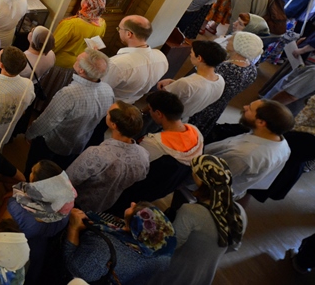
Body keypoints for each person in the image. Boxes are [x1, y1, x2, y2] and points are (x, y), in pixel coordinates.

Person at [163, 155, 246, 285]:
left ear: (201, 181)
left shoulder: (191, 211)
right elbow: (234, 246)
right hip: (205, 273)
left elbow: (172, 245)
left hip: (177, 270)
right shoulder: (239, 211)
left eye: (194, 173)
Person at [25, 49, 114, 171]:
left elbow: (48, 121)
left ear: (81, 70)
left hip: (54, 143)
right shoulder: (108, 90)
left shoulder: (69, 94)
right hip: (79, 143)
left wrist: (31, 133)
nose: (75, 60)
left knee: (36, 170)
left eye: (77, 60)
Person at [65, 102, 149, 212]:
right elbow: (141, 177)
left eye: (108, 113)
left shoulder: (96, 153)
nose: (106, 113)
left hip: (78, 202)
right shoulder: (144, 154)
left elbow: (70, 179)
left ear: (114, 125)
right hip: (107, 203)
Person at [63, 204, 175, 285]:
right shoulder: (163, 254)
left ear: (133, 231)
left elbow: (75, 270)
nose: (133, 203)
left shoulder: (101, 249)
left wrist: (73, 228)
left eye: (134, 213)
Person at [204, 98, 293, 198]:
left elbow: (211, 178)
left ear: (261, 122)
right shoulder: (281, 143)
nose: (244, 107)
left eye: (250, 109)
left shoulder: (244, 155)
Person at [190, 31, 263, 137]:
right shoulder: (251, 69)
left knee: (191, 129)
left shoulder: (226, 68)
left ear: (238, 47)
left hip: (204, 103)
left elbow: (202, 85)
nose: (228, 40)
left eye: (232, 39)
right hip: (219, 105)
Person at [40, 0, 106, 100]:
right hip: (79, 65)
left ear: (86, 4)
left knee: (49, 87)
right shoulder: (102, 23)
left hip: (60, 64)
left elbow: (54, 45)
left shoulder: (72, 24)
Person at [156, 40, 226, 124]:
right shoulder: (221, 80)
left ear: (199, 58)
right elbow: (195, 92)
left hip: (165, 116)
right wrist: (174, 83)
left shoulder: (187, 83)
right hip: (184, 119)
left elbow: (161, 100)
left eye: (192, 52)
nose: (190, 54)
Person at [103, 15, 168, 103]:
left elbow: (100, 88)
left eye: (119, 29)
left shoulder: (117, 63)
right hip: (132, 102)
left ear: (129, 34)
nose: (118, 31)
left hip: (109, 103)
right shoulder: (161, 57)